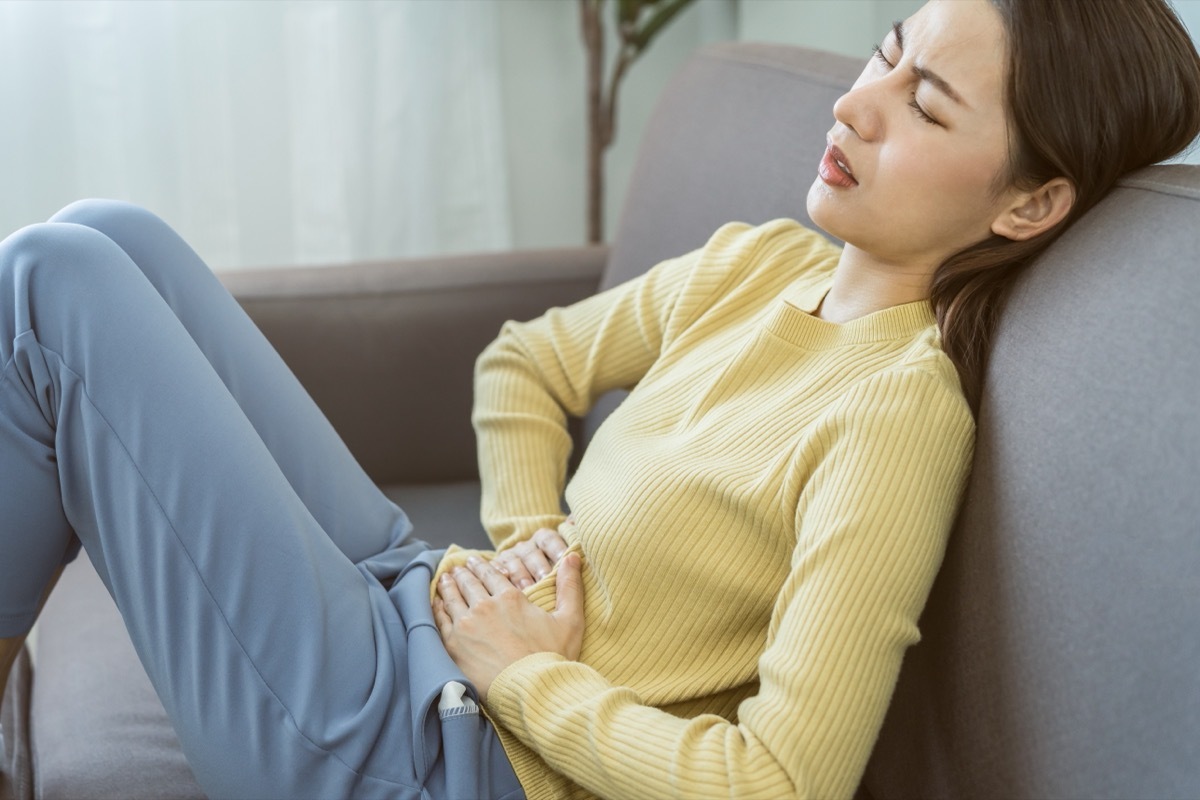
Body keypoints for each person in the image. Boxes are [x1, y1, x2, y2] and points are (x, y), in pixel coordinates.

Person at [1, 0, 1198, 798]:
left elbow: (782, 779)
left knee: (54, 283)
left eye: (925, 105)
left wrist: (530, 679)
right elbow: (524, 360)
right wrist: (530, 547)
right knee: (113, 233)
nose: (854, 105)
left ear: (1029, 205)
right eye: (886, 51)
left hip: (426, 755)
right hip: (428, 607)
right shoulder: (761, 265)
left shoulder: (896, 416)